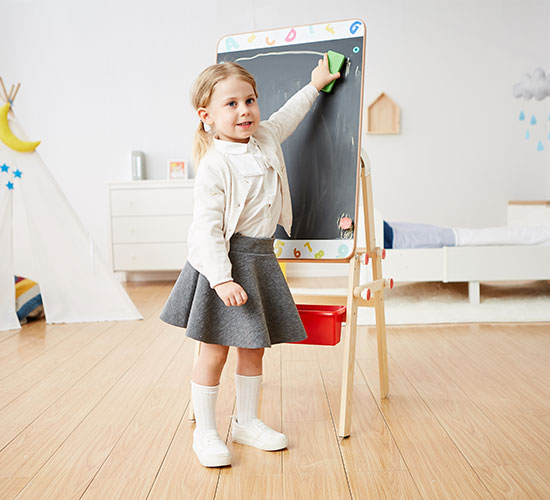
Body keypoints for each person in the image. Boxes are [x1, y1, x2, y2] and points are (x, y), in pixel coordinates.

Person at [160, 55, 340, 468]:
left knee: (253, 348)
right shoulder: (214, 165)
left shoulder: (265, 139)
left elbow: (287, 116)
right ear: (206, 116)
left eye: (250, 100)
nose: (245, 111)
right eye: (232, 104)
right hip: (221, 264)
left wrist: (315, 85)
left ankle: (246, 421)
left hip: (259, 259)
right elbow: (205, 232)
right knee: (213, 351)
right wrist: (221, 280)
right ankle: (205, 432)